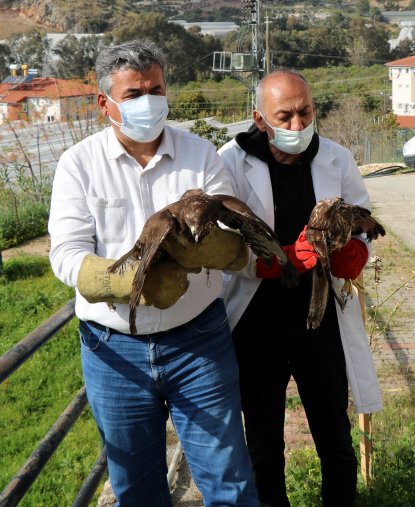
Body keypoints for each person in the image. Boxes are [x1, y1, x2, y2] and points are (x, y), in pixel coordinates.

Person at [48, 39, 259, 506]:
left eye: (156, 89)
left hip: (198, 341)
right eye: (134, 94)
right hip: (113, 351)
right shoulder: (78, 165)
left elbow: (235, 240)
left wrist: (218, 248)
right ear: (105, 104)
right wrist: (127, 282)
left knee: (230, 480)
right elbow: (65, 255)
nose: (150, 102)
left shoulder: (201, 156)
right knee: (136, 487)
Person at [218, 69, 383, 507]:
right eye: (284, 116)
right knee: (264, 445)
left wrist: (356, 254)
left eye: (305, 112)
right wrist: (276, 260)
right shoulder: (230, 164)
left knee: (334, 437)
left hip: (320, 319)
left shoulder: (337, 158)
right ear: (259, 119)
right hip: (257, 323)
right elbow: (223, 243)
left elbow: (362, 221)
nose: (297, 126)